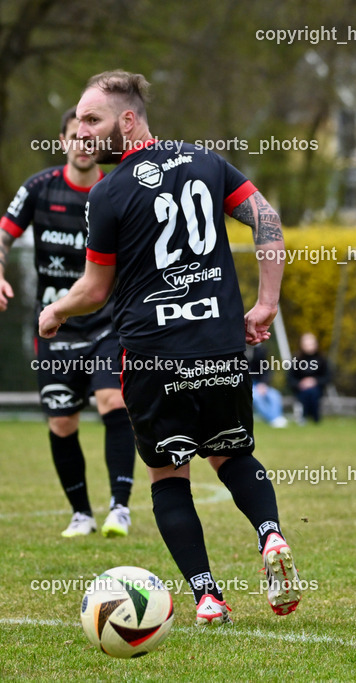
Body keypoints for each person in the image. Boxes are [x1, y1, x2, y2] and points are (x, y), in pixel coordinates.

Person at [38, 70, 300, 624]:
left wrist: (56, 311)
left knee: (168, 474)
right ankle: (271, 535)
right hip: (220, 343)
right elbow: (268, 220)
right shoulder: (206, 162)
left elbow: (94, 290)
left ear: (128, 121)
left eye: (93, 120)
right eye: (79, 122)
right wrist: (266, 305)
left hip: (154, 355)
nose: (83, 133)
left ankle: (207, 597)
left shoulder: (107, 195)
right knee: (232, 453)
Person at [0, 108, 136, 538]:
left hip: (107, 324)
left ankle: (120, 507)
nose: (82, 144)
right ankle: (82, 514)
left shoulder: (117, 188)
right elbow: (4, 235)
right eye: (74, 137)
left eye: (89, 137)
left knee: (113, 401)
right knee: (62, 422)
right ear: (63, 141)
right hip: (54, 327)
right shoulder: (40, 188)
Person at [287, 332, 330, 424]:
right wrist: (300, 384)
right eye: (306, 344)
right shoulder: (296, 359)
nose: (309, 347)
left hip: (317, 389)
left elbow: (328, 377)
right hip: (300, 390)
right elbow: (290, 379)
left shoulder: (322, 359)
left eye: (311, 344)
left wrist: (315, 381)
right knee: (307, 393)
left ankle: (314, 417)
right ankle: (304, 416)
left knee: (312, 392)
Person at [247, 343, 288, 428]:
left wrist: (263, 384)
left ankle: (277, 417)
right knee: (256, 397)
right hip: (247, 385)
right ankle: (272, 419)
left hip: (259, 383)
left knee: (274, 395)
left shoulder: (259, 351)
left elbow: (265, 369)